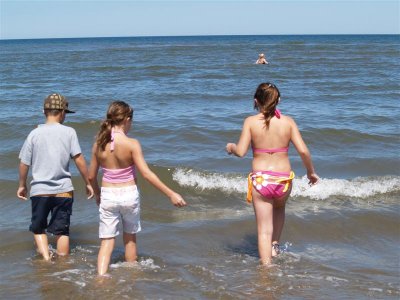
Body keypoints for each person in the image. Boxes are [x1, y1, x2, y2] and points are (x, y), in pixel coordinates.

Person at [88, 101, 187, 276]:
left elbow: (90, 176)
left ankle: (101, 279)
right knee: (130, 239)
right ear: (126, 120)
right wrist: (171, 193)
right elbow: (147, 174)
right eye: (131, 121)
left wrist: (97, 194)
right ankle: (131, 279)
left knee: (107, 242)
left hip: (108, 195)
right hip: (129, 195)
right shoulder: (132, 144)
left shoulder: (99, 143)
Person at [226, 83, 319, 265]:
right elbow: (303, 151)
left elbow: (241, 151)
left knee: (263, 230)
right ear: (279, 100)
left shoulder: (250, 122)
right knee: (279, 208)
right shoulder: (288, 122)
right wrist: (311, 172)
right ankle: (274, 246)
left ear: (255, 101)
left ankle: (266, 271)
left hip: (262, 181)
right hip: (283, 180)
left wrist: (231, 147)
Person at [17, 93, 94, 261]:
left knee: (38, 228)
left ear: (45, 112)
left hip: (40, 191)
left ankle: (46, 259)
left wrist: (22, 185)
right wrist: (88, 182)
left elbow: (24, 163)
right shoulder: (69, 132)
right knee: (62, 231)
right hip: (64, 191)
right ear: (61, 112)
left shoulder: (34, 134)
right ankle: (63, 261)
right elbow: (79, 159)